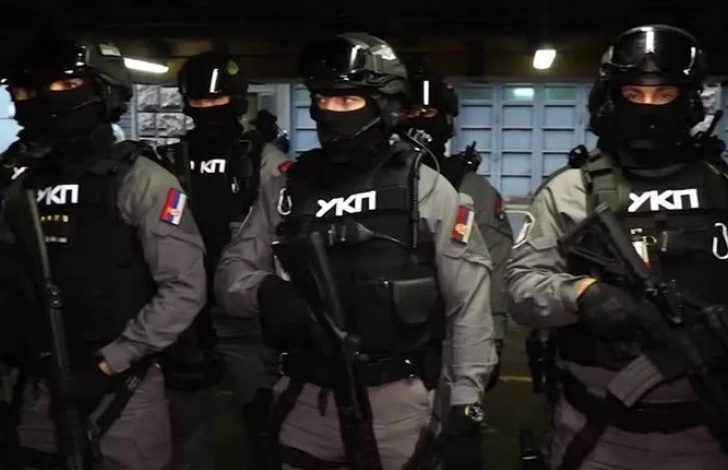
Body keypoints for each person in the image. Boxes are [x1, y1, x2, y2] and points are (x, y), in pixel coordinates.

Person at [215, 32, 496, 469]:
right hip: (306, 397)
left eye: (347, 100)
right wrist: (265, 291)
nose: (331, 111)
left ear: (384, 105)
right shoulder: (286, 188)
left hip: (396, 401)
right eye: (323, 99)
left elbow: (469, 303)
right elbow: (231, 273)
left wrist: (466, 400)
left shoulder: (425, 188)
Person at [506, 24, 728, 470]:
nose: (648, 106)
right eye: (634, 92)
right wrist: (580, 294)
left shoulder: (721, 187)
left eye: (664, 94)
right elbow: (520, 287)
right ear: (610, 98)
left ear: (688, 101)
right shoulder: (571, 190)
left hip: (710, 431)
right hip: (597, 432)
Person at [0, 35, 206, 469]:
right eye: (39, 89)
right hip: (36, 387)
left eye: (66, 86)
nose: (50, 99)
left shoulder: (142, 181)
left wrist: (109, 364)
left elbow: (184, 287)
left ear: (105, 92)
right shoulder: (21, 186)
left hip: (121, 388)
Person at [158, 51, 287, 469]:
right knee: (186, 424)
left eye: (217, 100)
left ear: (237, 99)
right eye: (199, 101)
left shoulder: (263, 159)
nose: (208, 109)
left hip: (245, 314)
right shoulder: (169, 160)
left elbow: (285, 233)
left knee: (263, 417)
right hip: (184, 313)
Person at [407, 72, 514, 389]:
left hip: (445, 346)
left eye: (428, 112)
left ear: (447, 120)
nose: (418, 121)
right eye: (409, 111)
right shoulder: (361, 184)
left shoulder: (468, 187)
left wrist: (492, 342)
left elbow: (494, 267)